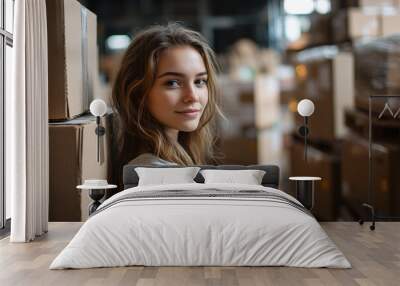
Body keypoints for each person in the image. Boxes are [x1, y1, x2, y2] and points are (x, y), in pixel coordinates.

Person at [112, 23, 222, 175]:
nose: (193, 96)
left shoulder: (175, 155)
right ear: (137, 93)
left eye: (199, 81)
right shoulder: (151, 172)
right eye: (173, 83)